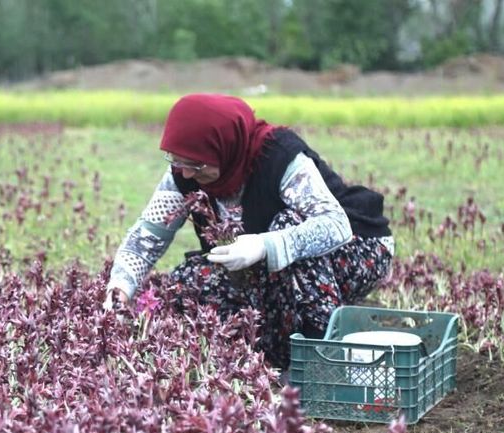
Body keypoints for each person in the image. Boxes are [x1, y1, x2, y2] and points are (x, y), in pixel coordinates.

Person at [104, 94, 393, 370]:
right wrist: (119, 289)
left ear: (225, 146)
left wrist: (264, 245)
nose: (187, 173)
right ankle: (270, 349)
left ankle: (320, 357)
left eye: (196, 164)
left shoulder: (279, 157)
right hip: (276, 268)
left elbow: (334, 225)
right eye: (178, 161)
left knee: (288, 225)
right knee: (185, 283)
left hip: (358, 248)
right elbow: (147, 237)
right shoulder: (185, 171)